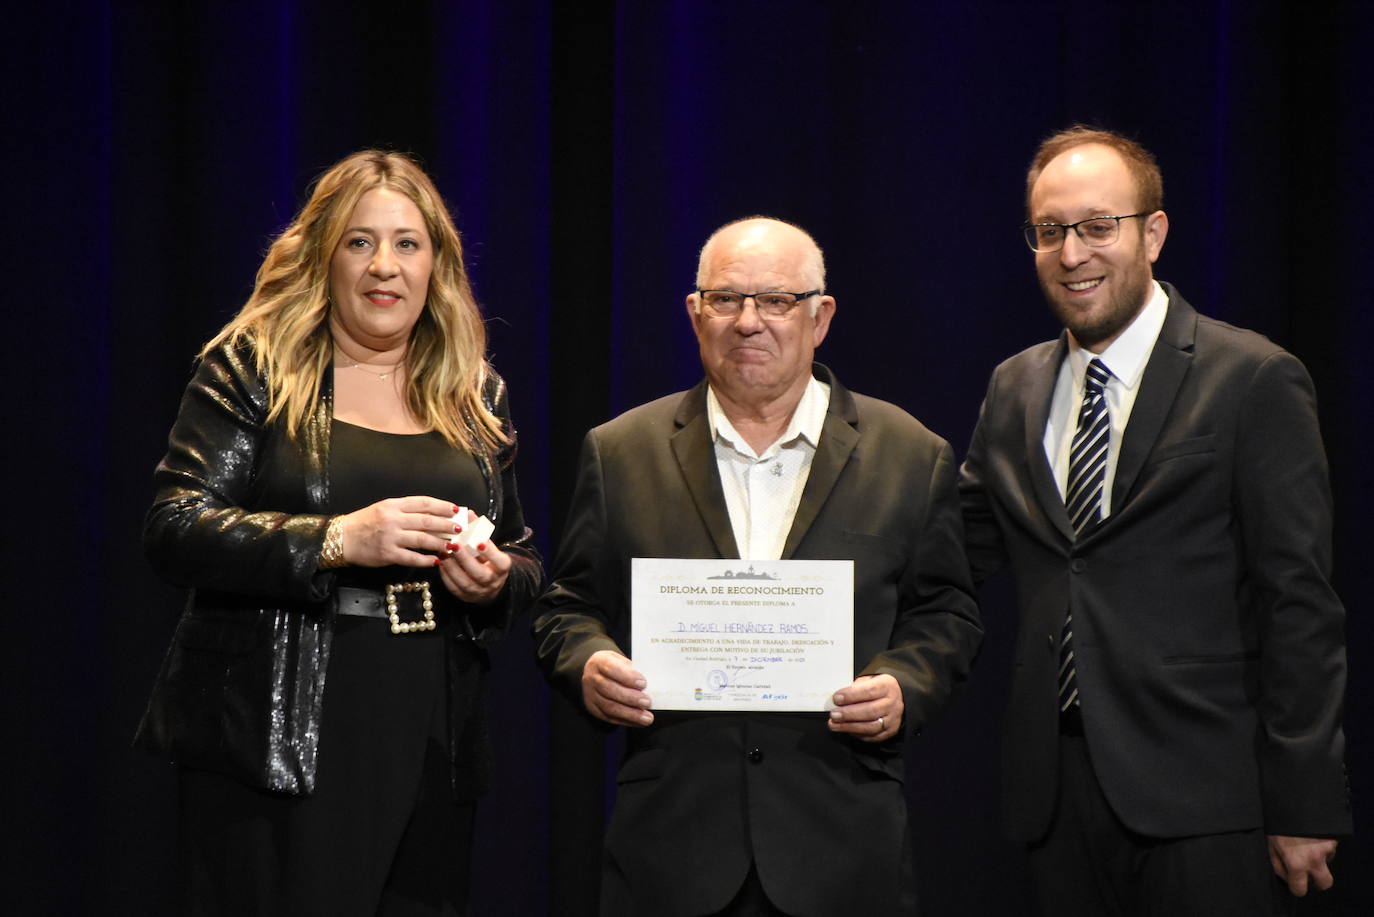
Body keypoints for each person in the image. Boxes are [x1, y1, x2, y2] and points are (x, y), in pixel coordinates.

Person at [532, 217, 982, 916]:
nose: (749, 322)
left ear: (819, 316)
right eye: (725, 299)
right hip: (672, 850)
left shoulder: (909, 454)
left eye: (775, 301)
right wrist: (588, 663)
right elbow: (566, 607)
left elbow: (947, 611)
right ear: (694, 313)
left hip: (840, 847)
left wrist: (903, 683)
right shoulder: (620, 452)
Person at [135, 150, 542, 916]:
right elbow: (175, 525)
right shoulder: (254, 367)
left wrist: (494, 578)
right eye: (359, 241)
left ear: (437, 265)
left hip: (429, 725)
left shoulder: (474, 390)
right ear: (323, 254)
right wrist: (335, 538)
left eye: (406, 244)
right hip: (282, 731)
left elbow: (523, 555)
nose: (384, 266)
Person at [958, 126, 1351, 915]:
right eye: (1050, 231)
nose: (1073, 254)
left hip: (1207, 800)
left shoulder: (1253, 379)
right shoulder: (1015, 386)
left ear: (1154, 233)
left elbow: (1298, 603)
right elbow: (953, 547)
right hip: (1054, 796)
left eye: (1098, 226)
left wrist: (1306, 799)